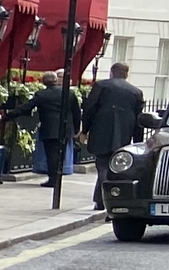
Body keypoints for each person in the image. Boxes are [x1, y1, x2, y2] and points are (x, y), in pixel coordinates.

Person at [81, 61, 147, 210]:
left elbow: (89, 110)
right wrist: (137, 142)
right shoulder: (136, 92)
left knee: (102, 165)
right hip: (124, 134)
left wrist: (84, 131)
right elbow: (139, 119)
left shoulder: (101, 86)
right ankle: (104, 199)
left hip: (101, 131)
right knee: (114, 167)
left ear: (111, 73)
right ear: (126, 74)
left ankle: (102, 200)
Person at [29, 68, 77, 208]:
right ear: (56, 80)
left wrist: (7, 116)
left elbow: (27, 108)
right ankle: (57, 177)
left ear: (43, 82)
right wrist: (78, 128)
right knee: (60, 154)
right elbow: (76, 112)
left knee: (51, 155)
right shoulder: (69, 93)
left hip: (49, 128)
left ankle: (53, 179)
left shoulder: (42, 94)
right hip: (65, 128)